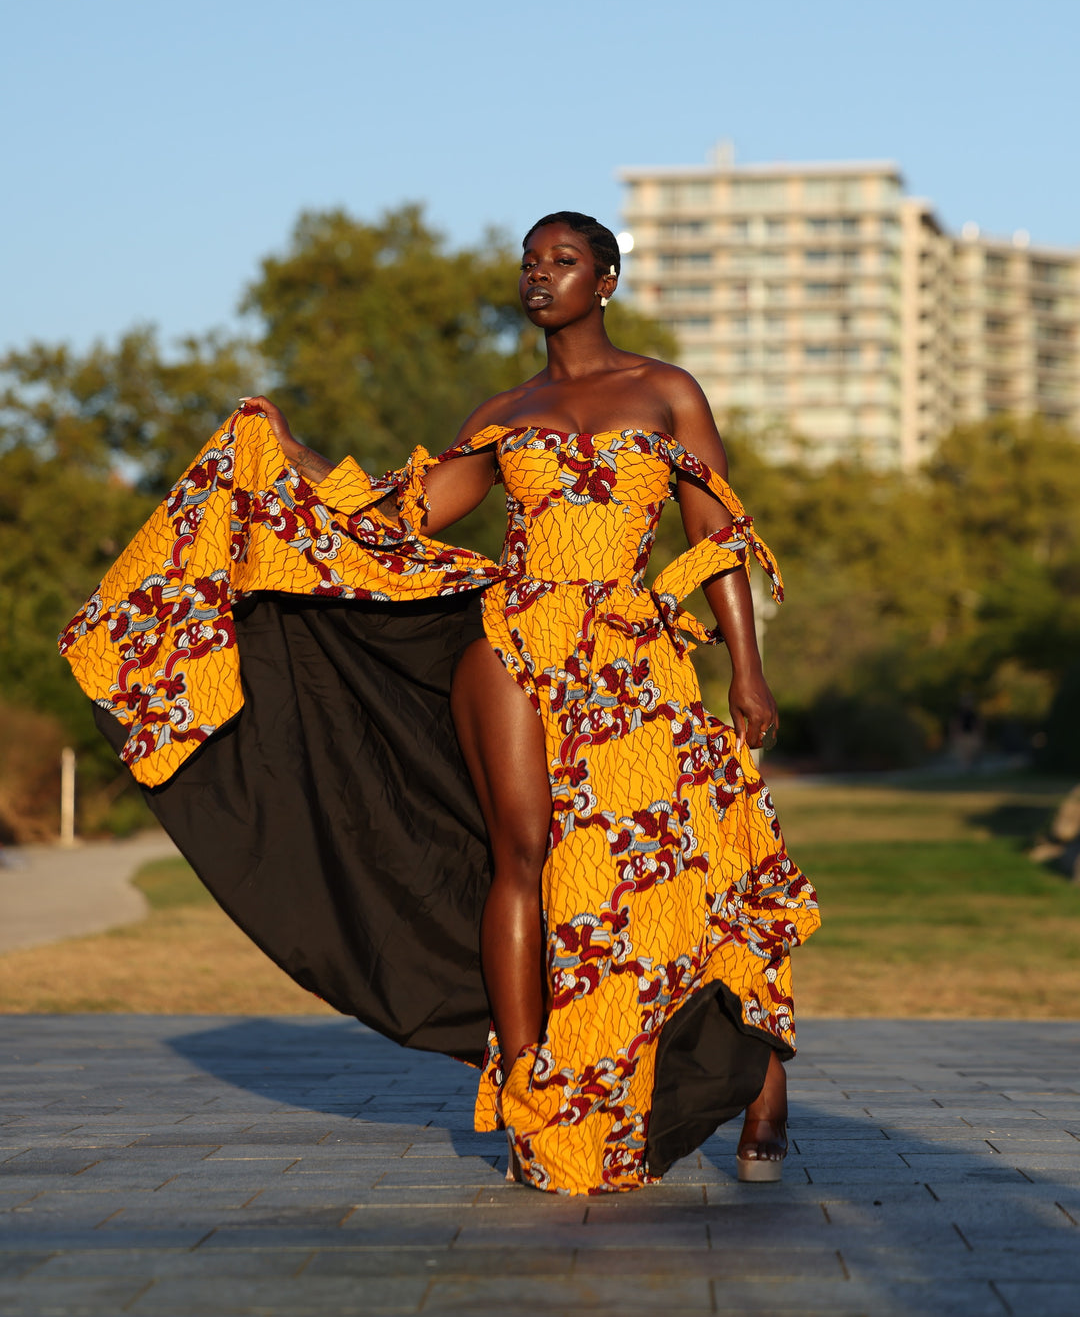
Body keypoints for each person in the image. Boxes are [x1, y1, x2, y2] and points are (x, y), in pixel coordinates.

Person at [60, 211, 818, 1194]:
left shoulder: (666, 391)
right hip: (514, 641)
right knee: (522, 860)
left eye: (564, 262)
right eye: (529, 263)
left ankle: (760, 1073)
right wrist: (290, 459)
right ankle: (531, 1098)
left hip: (633, 656)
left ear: (608, 280)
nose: (540, 277)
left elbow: (715, 529)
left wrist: (747, 670)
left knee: (691, 861)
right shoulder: (505, 410)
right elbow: (408, 515)